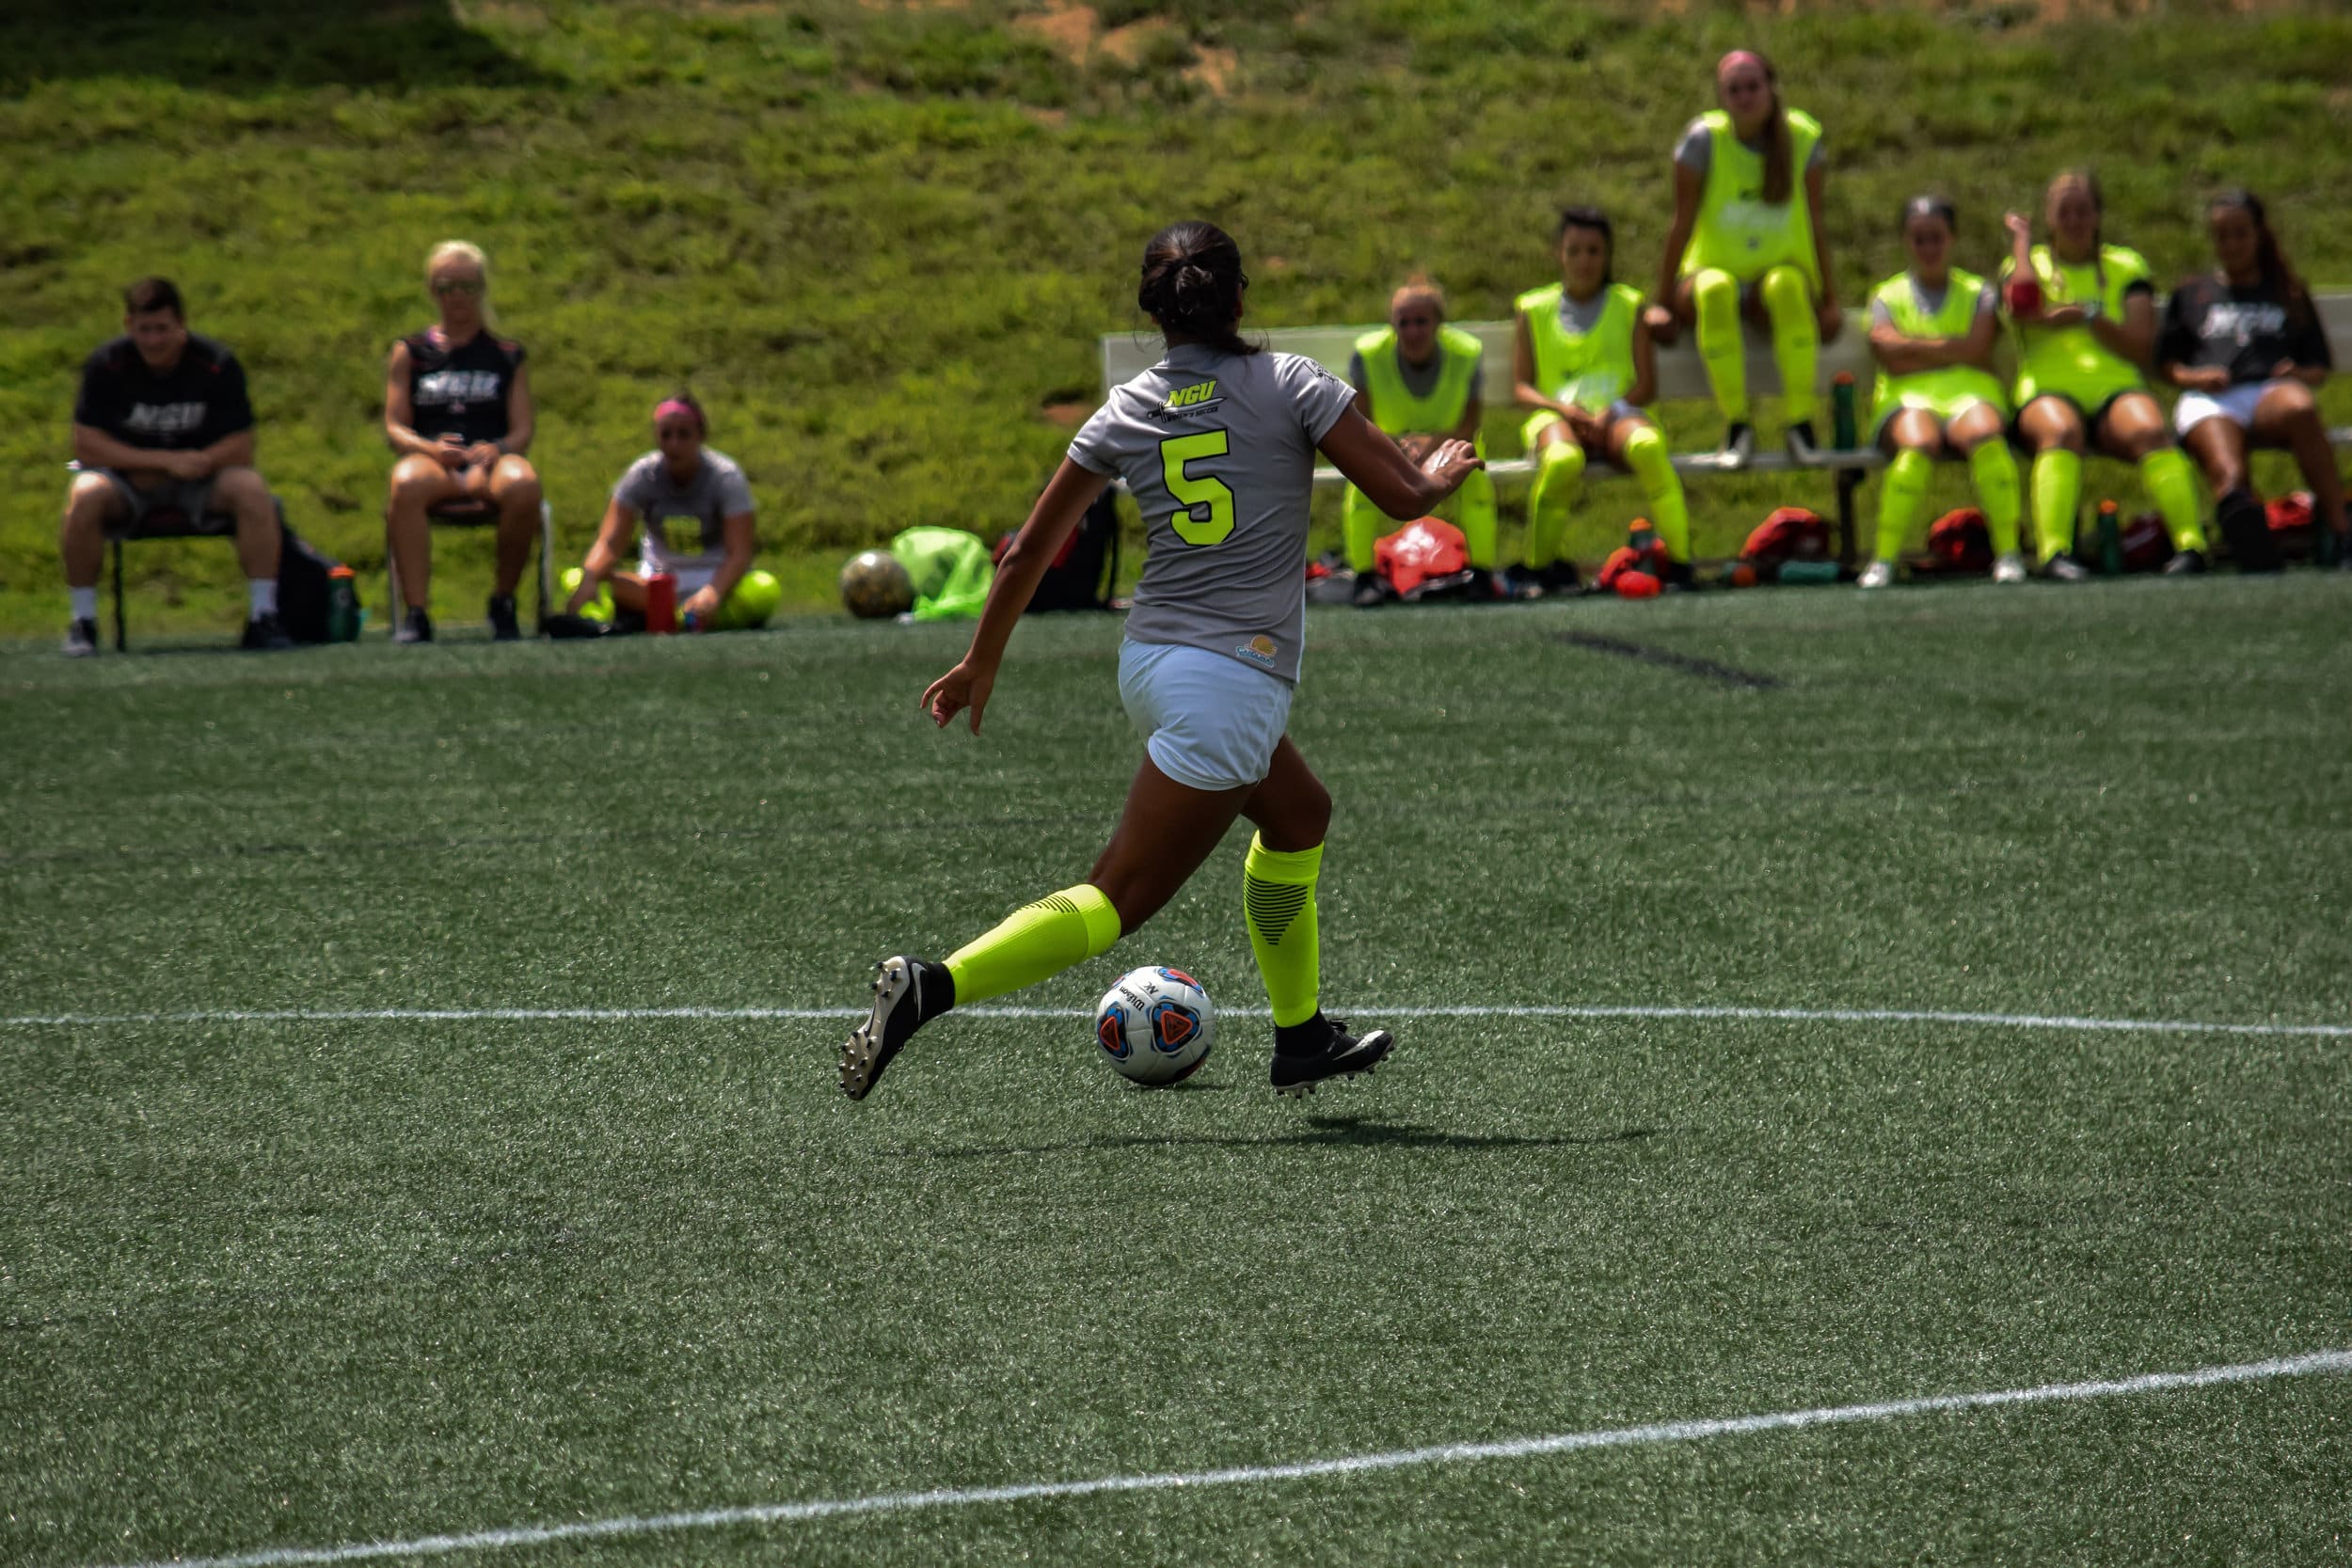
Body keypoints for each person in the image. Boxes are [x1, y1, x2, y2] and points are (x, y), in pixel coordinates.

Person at [837, 220, 1481, 1103]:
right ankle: (932, 985)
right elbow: (1400, 494)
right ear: (1243, 298)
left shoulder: (1128, 405)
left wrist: (979, 660)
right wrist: (1442, 474)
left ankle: (1300, 1037)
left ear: (1153, 312)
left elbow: (1026, 551)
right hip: (1232, 680)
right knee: (1117, 897)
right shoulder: (1293, 381)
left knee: (1298, 814)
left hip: (1151, 662)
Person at [59, 277, 289, 656]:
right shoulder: (107, 365)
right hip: (128, 482)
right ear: (128, 324)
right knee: (84, 494)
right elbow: (86, 443)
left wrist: (201, 462)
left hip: (200, 480)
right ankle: (83, 621)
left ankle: (264, 615)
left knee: (250, 488)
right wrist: (162, 462)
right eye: (144, 330)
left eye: (162, 329)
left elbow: (241, 445)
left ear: (181, 323)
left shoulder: (215, 364)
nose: (153, 341)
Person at [2001, 171, 2209, 580]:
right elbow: (2021, 305)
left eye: (2083, 211)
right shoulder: (2028, 265)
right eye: (2064, 212)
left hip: (2115, 386)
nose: (2074, 221)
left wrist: (2091, 317)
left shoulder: (2124, 266)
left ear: (2097, 215)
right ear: (2049, 216)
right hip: (2048, 388)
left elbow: (2140, 344)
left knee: (2150, 429)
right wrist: (2022, 241)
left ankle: (2191, 544)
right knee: (2060, 433)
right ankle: (2054, 551)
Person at [1647, 48, 1842, 466]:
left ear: (1771, 88)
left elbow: (1816, 221)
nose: (1745, 97)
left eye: (1753, 86)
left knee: (1787, 286)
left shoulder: (1803, 137)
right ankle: (1736, 425)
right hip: (1711, 277)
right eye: (1733, 90)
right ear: (1721, 97)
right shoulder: (1703, 141)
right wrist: (1663, 301)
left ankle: (1800, 423)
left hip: (1776, 280)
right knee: (1715, 288)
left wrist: (1829, 300)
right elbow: (1680, 222)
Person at [2156, 187, 2343, 566]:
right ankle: (2248, 529)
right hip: (2212, 398)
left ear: (2258, 234)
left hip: (2268, 392)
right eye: (2222, 235)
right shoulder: (2193, 293)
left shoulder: (2286, 291)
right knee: (2229, 472)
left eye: (2240, 233)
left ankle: (2342, 531)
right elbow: (2167, 364)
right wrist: (2196, 377)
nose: (2232, 244)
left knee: (2300, 407)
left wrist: (2297, 372)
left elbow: (2319, 366)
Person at [1512, 206, 1692, 593]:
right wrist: (1564, 411)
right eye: (1574, 250)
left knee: (1647, 446)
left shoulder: (1629, 304)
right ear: (1559, 253)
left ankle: (1680, 564)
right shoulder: (1532, 309)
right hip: (1555, 417)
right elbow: (1522, 387)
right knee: (1562, 461)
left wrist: (1609, 413)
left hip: (1617, 413)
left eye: (1593, 251)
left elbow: (1645, 384)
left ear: (1607, 255)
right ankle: (1538, 568)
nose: (1584, 260)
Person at [382, 241, 544, 642]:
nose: (456, 296)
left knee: (523, 484)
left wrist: (500, 448)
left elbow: (523, 430)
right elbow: (394, 426)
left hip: (486, 462)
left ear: (482, 289)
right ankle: (417, 613)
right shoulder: (410, 352)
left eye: (466, 286)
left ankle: (503, 600)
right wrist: (429, 449)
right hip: (435, 461)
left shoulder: (506, 355)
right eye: (446, 286)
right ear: (432, 291)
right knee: (404, 483)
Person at [1860, 196, 2026, 588]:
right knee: (1918, 442)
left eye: (1936, 238)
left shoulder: (1978, 292)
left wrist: (1914, 346)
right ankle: (1883, 557)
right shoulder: (1888, 295)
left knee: (1986, 434)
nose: (1928, 248)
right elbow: (1888, 355)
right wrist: (1953, 349)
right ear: (1907, 241)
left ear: (1952, 239)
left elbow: (1978, 347)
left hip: (1970, 393)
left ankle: (2009, 552)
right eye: (1919, 239)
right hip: (1905, 397)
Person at [560, 393, 781, 632]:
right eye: (666, 435)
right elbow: (610, 542)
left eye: (683, 435)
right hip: (656, 584)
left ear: (700, 436)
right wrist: (590, 579)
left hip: (715, 579)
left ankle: (641, 619)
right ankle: (679, 619)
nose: (674, 444)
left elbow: (740, 553)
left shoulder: (726, 477)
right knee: (578, 577)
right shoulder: (642, 474)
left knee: (764, 588)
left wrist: (713, 592)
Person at [1342, 276, 1500, 605]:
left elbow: (1469, 425)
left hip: (1451, 443)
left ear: (1438, 323)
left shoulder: (1466, 353)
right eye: (1404, 322)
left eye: (1422, 321)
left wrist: (1428, 444)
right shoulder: (1369, 355)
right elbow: (1361, 423)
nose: (1413, 331)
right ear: (1393, 325)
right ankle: (1364, 576)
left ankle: (1482, 573)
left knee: (1475, 472)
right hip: (1386, 444)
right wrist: (1399, 447)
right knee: (1360, 484)